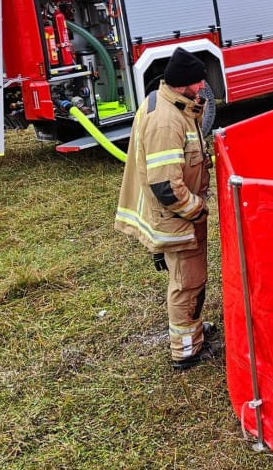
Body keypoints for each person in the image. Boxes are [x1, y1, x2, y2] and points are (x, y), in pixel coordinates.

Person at [114, 48, 215, 370]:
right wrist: (197, 209)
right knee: (188, 282)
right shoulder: (166, 121)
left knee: (189, 278)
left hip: (177, 217)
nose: (202, 86)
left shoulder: (174, 106)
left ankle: (193, 330)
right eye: (198, 82)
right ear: (182, 84)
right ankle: (186, 349)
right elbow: (165, 186)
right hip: (178, 219)